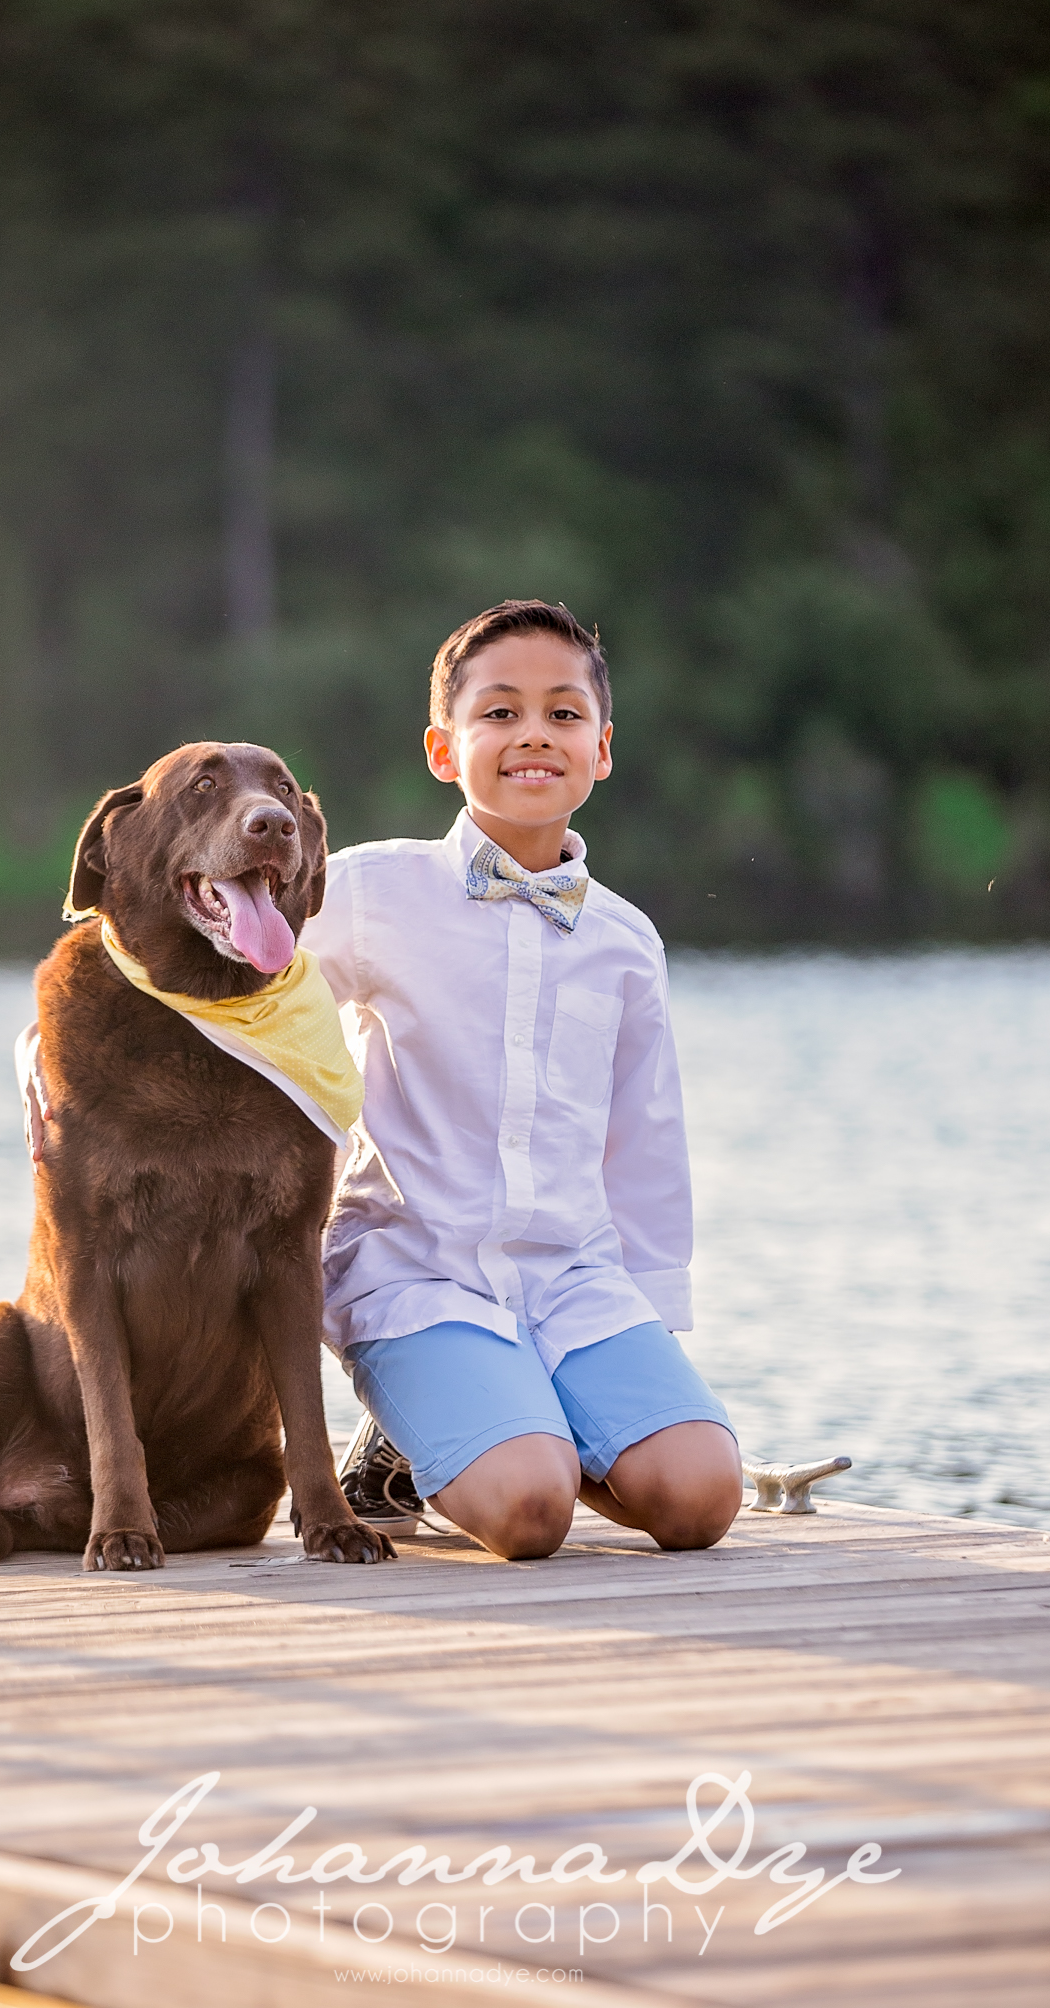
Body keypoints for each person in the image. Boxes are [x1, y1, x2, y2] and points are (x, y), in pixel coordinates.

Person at [303, 599, 740, 1560]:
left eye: (563, 713)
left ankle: (523, 1412)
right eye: (498, 713)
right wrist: (60, 1062)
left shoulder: (625, 940)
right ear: (442, 748)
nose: (533, 734)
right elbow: (225, 988)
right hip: (417, 1274)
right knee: (531, 1513)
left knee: (702, 1498)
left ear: (602, 748)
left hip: (571, 1283)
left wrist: (652, 1324)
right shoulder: (371, 894)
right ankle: (410, 1442)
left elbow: (645, 1141)